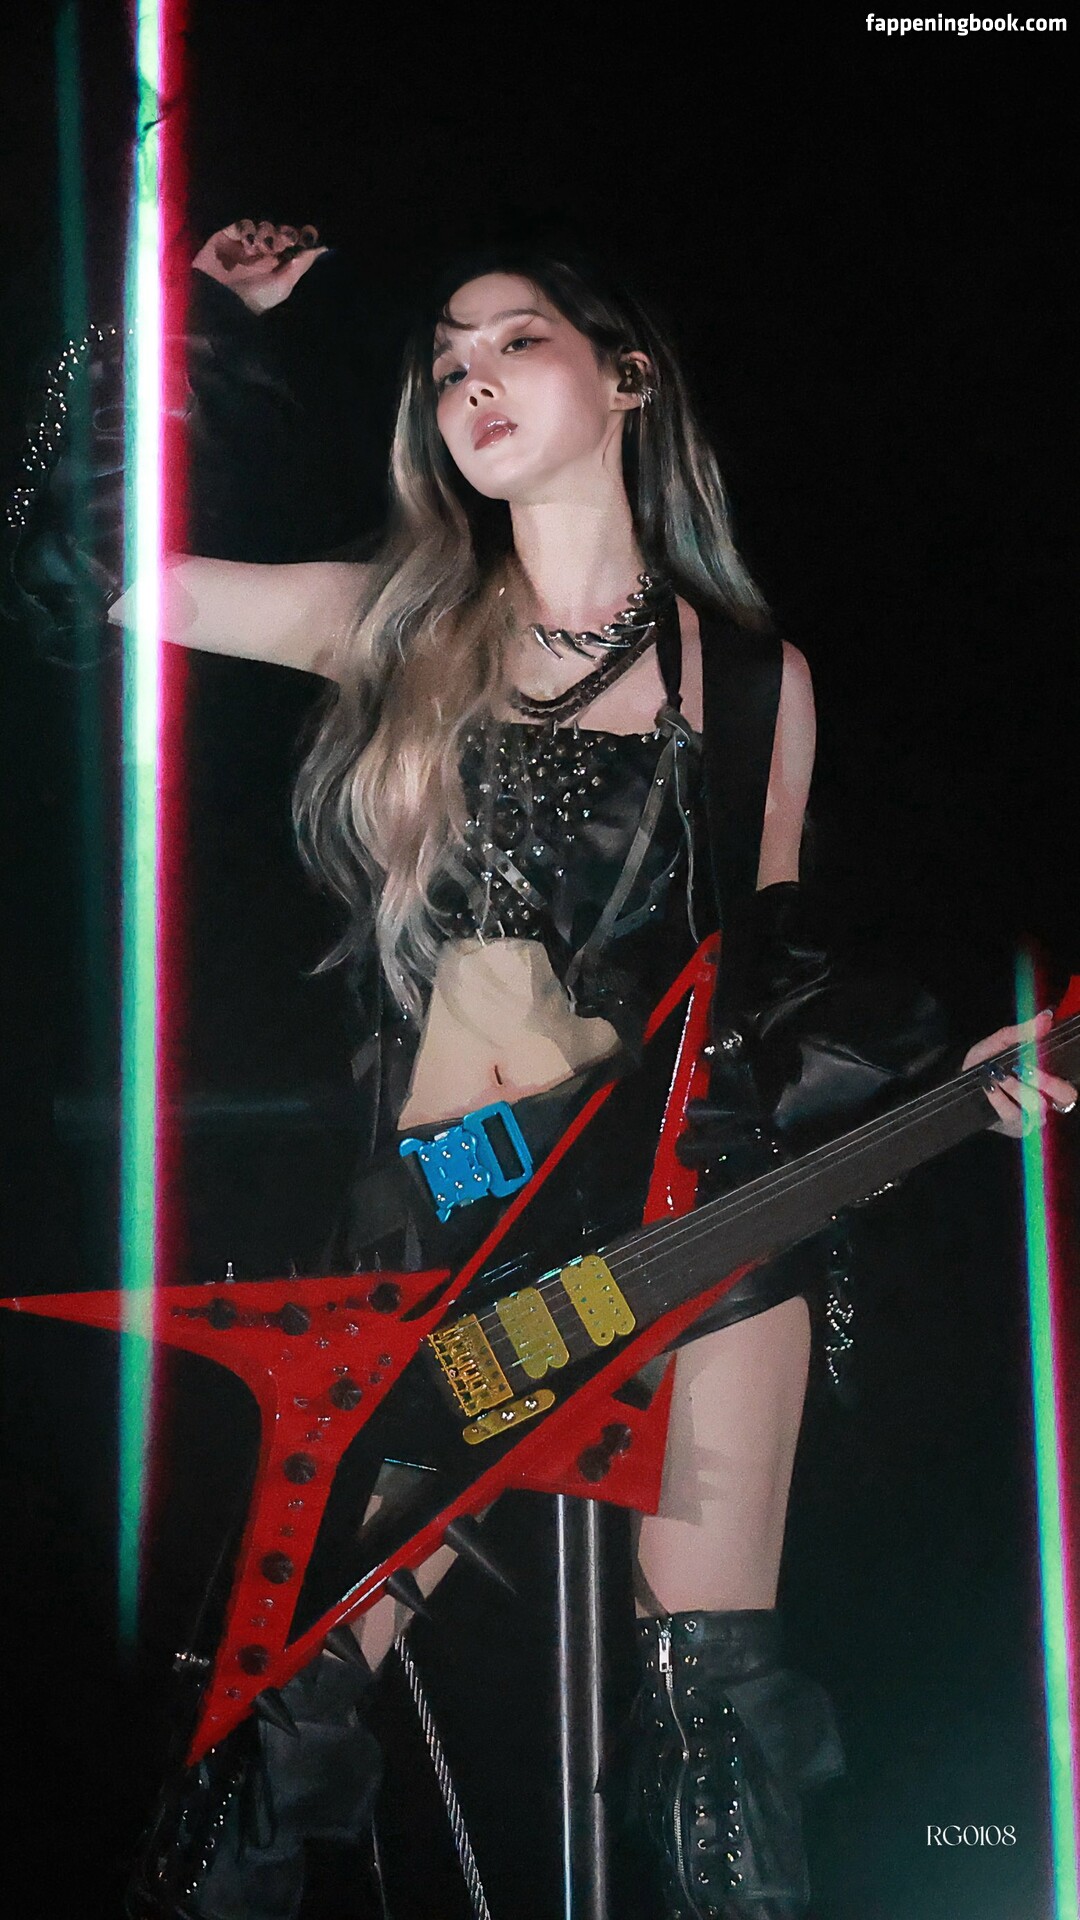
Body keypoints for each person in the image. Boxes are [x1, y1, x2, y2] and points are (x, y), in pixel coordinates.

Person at [14, 218, 1075, 1920]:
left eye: (516, 341)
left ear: (625, 376)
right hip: (451, 1225)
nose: (473, 381)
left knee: (714, 1721)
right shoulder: (391, 622)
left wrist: (959, 1065)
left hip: (692, 1215)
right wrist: (176, 335)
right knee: (269, 1715)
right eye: (447, 362)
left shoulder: (753, 678)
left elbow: (766, 985)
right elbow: (90, 580)